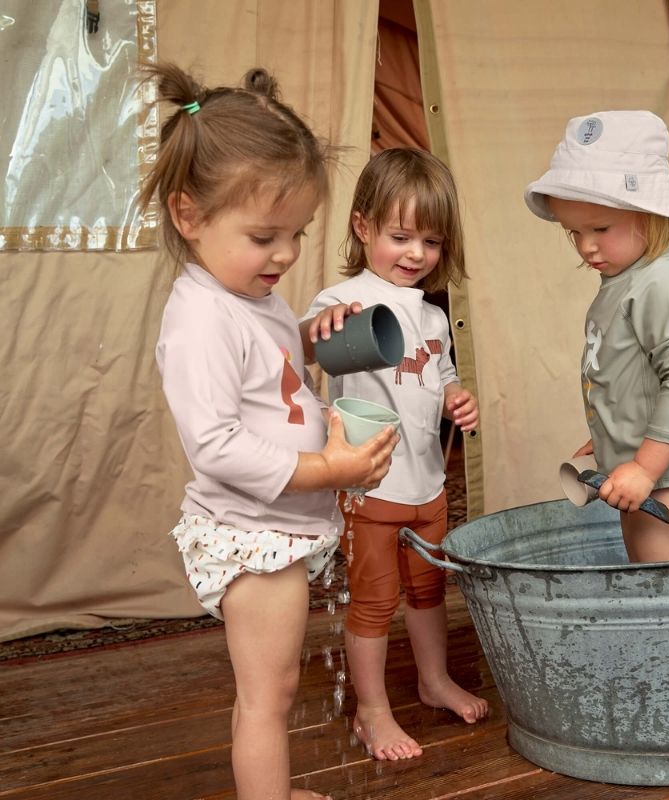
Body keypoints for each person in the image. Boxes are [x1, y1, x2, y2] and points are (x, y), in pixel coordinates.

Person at [138, 62, 398, 800]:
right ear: (189, 216)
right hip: (250, 531)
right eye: (264, 236)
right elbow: (216, 445)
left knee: (274, 687)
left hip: (278, 524)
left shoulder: (254, 296)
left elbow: (275, 374)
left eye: (297, 234)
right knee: (268, 697)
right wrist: (330, 471)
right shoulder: (198, 318)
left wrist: (315, 340)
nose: (285, 255)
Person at [300, 148, 490, 762]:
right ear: (363, 227)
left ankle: (433, 681)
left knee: (429, 592)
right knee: (376, 602)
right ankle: (371, 711)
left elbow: (438, 380)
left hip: (427, 483)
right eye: (400, 236)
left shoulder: (433, 316)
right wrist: (322, 324)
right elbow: (305, 344)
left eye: (430, 241)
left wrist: (455, 400)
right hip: (370, 483)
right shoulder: (343, 298)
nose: (415, 254)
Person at [524, 110, 669, 563]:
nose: (585, 246)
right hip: (644, 474)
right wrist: (610, 440)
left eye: (600, 229)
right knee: (647, 587)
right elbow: (630, 376)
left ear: (651, 215)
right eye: (573, 232)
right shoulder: (627, 281)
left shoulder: (662, 286)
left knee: (661, 601)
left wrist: (643, 466)